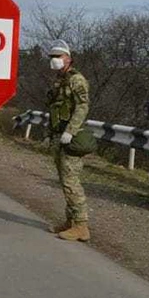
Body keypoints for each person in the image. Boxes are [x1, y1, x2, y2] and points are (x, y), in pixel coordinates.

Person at [46, 39, 91, 242]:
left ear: (68, 58)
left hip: (72, 137)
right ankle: (71, 222)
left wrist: (71, 131)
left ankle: (81, 226)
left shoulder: (76, 80)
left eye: (58, 56)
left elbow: (83, 106)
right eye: (52, 57)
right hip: (59, 135)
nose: (54, 60)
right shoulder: (59, 79)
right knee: (65, 181)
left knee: (71, 181)